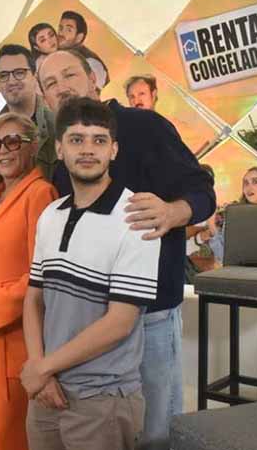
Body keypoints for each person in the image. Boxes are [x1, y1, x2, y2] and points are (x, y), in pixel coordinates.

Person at [37, 49, 216, 450]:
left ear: (94, 79)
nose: (61, 87)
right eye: (50, 83)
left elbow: (203, 192)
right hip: (87, 326)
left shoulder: (145, 125)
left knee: (155, 432)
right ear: (45, 99)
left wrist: (173, 212)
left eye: (69, 75)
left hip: (149, 317)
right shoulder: (60, 164)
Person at [22, 96, 160, 450]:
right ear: (59, 149)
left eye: (99, 140)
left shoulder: (137, 217)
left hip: (102, 399)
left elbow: (120, 323)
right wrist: (40, 368)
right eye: (76, 139)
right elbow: (34, 299)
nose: (87, 149)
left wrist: (43, 368)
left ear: (113, 150)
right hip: (47, 392)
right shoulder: (51, 215)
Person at [0, 112, 58, 450]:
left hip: (18, 332)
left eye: (12, 142)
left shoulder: (40, 193)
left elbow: (43, 271)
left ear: (33, 146)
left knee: (11, 433)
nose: (3, 151)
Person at [0, 44, 57, 180]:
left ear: (35, 77)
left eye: (19, 73)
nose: (12, 81)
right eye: (3, 75)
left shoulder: (57, 124)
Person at [57, 11, 109, 89]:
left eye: (68, 30)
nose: (61, 33)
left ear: (79, 37)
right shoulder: (57, 54)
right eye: (60, 28)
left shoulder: (91, 62)